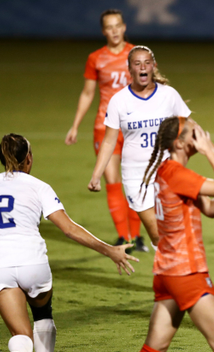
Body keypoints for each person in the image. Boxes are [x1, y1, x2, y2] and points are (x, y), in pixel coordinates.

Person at [0, 134, 138, 352]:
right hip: (31, 261)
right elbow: (69, 229)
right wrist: (109, 250)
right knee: (42, 313)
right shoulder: (39, 187)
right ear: (29, 159)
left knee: (21, 334)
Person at [127, 116, 214, 352]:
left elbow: (211, 208)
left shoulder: (167, 171)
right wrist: (210, 151)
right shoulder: (177, 173)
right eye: (194, 134)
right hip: (188, 273)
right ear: (179, 143)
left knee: (152, 350)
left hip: (167, 273)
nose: (200, 137)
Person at [88, 45, 192, 250]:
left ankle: (173, 276)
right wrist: (96, 175)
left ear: (154, 66)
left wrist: (212, 153)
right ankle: (169, 270)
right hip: (136, 175)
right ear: (130, 68)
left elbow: (189, 126)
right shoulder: (119, 100)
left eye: (147, 62)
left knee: (172, 230)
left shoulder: (168, 94)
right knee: (156, 234)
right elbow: (109, 141)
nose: (142, 67)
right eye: (137, 63)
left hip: (166, 170)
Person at [65, 9, 147, 252]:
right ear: (104, 31)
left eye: (117, 25)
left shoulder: (136, 55)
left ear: (123, 27)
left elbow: (149, 89)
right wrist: (75, 125)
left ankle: (138, 237)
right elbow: (88, 93)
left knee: (135, 182)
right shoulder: (95, 58)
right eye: (109, 27)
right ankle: (125, 238)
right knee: (112, 182)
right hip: (105, 127)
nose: (114, 30)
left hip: (134, 129)